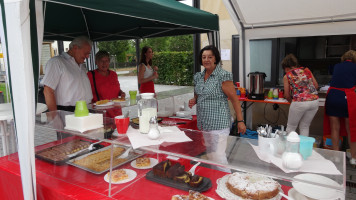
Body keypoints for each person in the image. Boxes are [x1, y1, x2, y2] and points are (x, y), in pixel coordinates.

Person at [188, 45, 246, 171]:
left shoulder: (223, 76)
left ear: (216, 59)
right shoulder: (198, 76)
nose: (206, 60)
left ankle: (226, 181)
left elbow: (235, 100)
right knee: (211, 155)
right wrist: (194, 100)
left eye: (210, 57)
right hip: (204, 123)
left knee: (219, 156)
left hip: (219, 123)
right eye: (204, 57)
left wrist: (240, 121)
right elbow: (198, 94)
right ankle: (216, 180)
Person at [42, 36, 93, 112]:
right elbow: (48, 91)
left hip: (86, 109)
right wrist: (54, 117)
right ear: (75, 48)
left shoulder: (80, 65)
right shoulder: (57, 62)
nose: (87, 57)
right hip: (67, 111)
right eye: (86, 53)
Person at [324, 50, 356, 165]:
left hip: (333, 97)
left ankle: (336, 157)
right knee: (351, 129)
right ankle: (354, 158)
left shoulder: (337, 66)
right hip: (347, 98)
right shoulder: (355, 67)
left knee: (334, 128)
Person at [282, 54, 319, 136]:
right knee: (304, 126)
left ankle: (289, 148)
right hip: (314, 101)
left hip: (299, 102)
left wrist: (292, 102)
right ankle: (304, 148)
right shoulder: (307, 70)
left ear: (286, 68)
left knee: (291, 127)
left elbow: (286, 95)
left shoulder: (287, 76)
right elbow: (316, 86)